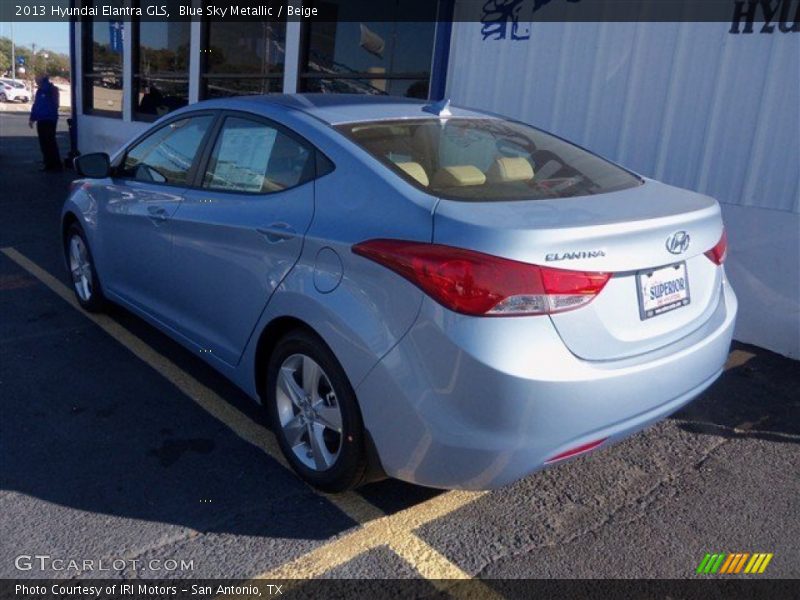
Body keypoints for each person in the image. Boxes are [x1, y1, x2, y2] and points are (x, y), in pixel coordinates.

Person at [29, 74, 62, 172]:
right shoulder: (39, 91)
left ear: (42, 81)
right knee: (44, 142)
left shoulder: (51, 90)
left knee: (49, 142)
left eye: (37, 81)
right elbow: (36, 105)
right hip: (41, 119)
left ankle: (55, 164)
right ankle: (48, 162)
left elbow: (55, 104)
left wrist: (44, 86)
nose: (36, 83)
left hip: (49, 119)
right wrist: (32, 118)